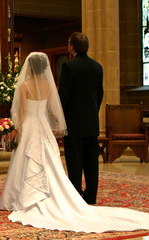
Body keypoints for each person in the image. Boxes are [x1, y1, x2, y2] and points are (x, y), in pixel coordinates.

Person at [0, 51, 149, 232]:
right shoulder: (49, 85)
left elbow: (22, 111)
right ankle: (53, 193)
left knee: (26, 159)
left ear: (30, 67)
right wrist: (55, 124)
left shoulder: (24, 86)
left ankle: (20, 197)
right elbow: (55, 109)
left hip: (29, 126)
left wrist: (16, 128)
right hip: (43, 127)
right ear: (45, 67)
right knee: (48, 161)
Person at [58, 32, 103, 204]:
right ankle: (91, 196)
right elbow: (99, 95)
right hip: (91, 123)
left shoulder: (69, 66)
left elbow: (64, 96)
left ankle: (76, 197)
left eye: (68, 43)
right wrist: (92, 112)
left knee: (75, 162)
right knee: (92, 162)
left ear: (72, 46)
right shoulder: (97, 66)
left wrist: (60, 119)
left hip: (74, 123)